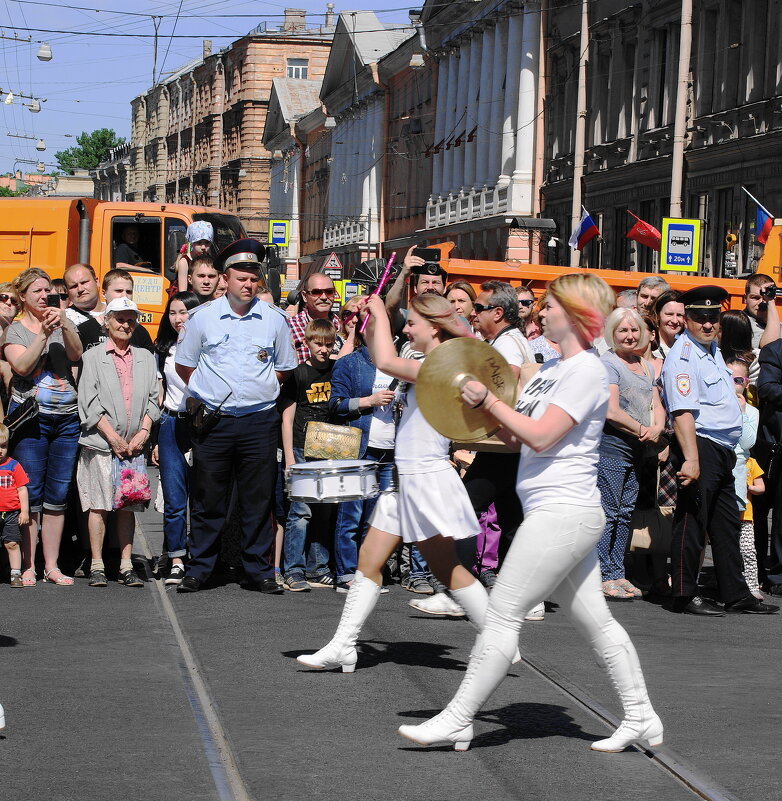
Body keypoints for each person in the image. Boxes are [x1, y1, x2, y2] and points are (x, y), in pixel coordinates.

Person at [399, 273, 664, 754]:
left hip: (564, 513)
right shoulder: (549, 371)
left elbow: (542, 435)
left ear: (578, 316)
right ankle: (641, 716)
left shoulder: (587, 370)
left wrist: (492, 402)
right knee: (597, 623)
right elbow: (520, 438)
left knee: (501, 615)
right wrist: (472, 419)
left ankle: (458, 719)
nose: (541, 313)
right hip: (558, 511)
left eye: (551, 306)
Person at [296, 293, 489, 673]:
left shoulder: (443, 364)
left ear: (434, 327)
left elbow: (384, 359)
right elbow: (381, 352)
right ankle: (343, 645)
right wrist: (376, 317)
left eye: (413, 322)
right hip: (407, 478)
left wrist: (381, 313)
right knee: (369, 561)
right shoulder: (431, 360)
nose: (407, 328)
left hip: (424, 478)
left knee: (448, 569)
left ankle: (500, 640)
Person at [174, 239, 296, 594]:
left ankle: (258, 571)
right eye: (241, 277)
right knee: (209, 499)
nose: (248, 283)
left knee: (257, 499)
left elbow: (284, 369)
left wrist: (256, 391)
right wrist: (209, 391)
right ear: (225, 279)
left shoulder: (274, 320)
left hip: (259, 421)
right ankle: (201, 569)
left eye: (253, 278)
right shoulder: (202, 318)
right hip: (215, 421)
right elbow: (185, 366)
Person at [661, 286, 777, 615]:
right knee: (692, 521)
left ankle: (736, 592)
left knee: (726, 524)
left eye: (713, 318)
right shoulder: (683, 357)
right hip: (701, 445)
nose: (708, 324)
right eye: (700, 318)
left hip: (724, 448)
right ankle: (684, 594)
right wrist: (692, 459)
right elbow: (682, 412)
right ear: (687, 320)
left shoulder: (710, 351)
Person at [4, 267, 83, 587]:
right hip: (32, 420)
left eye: (47, 290)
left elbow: (76, 354)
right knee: (31, 494)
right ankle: (27, 565)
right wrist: (42, 335)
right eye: (36, 291)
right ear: (23, 296)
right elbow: (22, 366)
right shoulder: (16, 331)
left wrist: (63, 323)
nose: (43, 296)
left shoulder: (64, 321)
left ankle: (51, 565)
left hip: (66, 419)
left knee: (57, 495)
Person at [76, 297, 158, 588]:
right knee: (98, 506)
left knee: (127, 506)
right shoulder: (93, 356)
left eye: (131, 320)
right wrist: (112, 437)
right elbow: (88, 402)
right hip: (101, 443)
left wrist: (144, 432)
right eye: (120, 319)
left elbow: (153, 398)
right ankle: (97, 564)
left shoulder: (146, 357)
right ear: (107, 321)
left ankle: (126, 565)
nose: (126, 325)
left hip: (133, 446)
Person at [596, 308, 665, 601]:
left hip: (639, 449)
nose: (629, 336)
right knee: (609, 513)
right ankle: (601, 574)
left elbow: (656, 402)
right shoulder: (608, 363)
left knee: (625, 514)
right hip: (612, 447)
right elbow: (611, 411)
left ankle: (617, 572)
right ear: (612, 333)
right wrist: (642, 428)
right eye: (623, 330)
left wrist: (658, 428)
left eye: (634, 330)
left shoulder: (645, 365)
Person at [329, 297, 396, 592]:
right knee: (350, 516)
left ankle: (368, 573)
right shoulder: (349, 363)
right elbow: (335, 405)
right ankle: (345, 573)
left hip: (391, 450)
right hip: (360, 448)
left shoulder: (396, 364)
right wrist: (368, 401)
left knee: (376, 519)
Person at [280, 319, 337, 591]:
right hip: (302, 448)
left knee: (325, 510)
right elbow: (287, 417)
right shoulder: (299, 374)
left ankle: (318, 567)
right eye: (318, 343)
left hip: (329, 450)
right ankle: (294, 569)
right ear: (307, 343)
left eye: (328, 344)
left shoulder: (337, 371)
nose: (323, 349)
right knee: (300, 511)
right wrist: (290, 457)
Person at [151, 291, 200, 586]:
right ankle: (177, 558)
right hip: (171, 423)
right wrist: (155, 439)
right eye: (173, 312)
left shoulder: (207, 347)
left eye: (184, 312)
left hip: (201, 426)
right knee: (173, 497)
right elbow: (159, 396)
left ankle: (200, 554)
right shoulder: (163, 349)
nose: (178, 318)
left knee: (201, 496)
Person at [726, 354, 763, 600]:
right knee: (717, 540)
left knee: (746, 548)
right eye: (728, 378)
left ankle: (751, 586)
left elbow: (747, 441)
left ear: (746, 383)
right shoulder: (714, 406)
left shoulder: (751, 411)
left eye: (738, 379)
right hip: (718, 475)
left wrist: (740, 411)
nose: (733, 384)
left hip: (739, 483)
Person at [64, 265, 154, 354]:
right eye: (73, 286)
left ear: (97, 282)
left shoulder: (138, 330)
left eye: (84, 282)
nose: (124, 296)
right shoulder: (68, 320)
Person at [288, 273, 344, 364]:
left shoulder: (342, 326)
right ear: (304, 296)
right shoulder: (290, 327)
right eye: (316, 292)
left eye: (329, 292)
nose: (324, 297)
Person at [0, 423, 30, 588]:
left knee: (12, 543)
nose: (0, 451)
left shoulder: (14, 465)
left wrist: (24, 511)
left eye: (3, 446)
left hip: (11, 513)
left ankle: (16, 574)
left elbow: (22, 489)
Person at [742, 273, 781, 352]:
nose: (761, 303)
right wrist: (770, 301)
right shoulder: (739, 322)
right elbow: (770, 347)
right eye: (755, 298)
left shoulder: (776, 324)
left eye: (765, 298)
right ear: (745, 298)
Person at [176, 221, 214, 293]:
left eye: (207, 243)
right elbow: (182, 291)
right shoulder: (185, 262)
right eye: (199, 243)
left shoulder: (210, 260)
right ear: (192, 243)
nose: (203, 247)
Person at [652, 290, 685, 358]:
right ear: (658, 315)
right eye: (669, 314)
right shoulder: (649, 349)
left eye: (679, 315)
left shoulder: (685, 348)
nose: (675, 321)